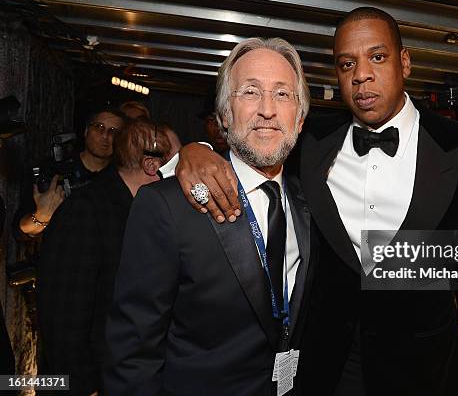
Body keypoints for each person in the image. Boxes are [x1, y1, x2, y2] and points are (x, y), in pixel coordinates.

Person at [173, 7, 458, 396]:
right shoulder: (310, 140)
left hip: (427, 368)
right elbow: (253, 143)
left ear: (405, 63)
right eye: (347, 63)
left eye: (377, 57)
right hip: (328, 366)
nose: (361, 74)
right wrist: (194, 150)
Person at [104, 37, 316, 396]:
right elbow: (132, 354)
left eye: (282, 94)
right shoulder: (167, 207)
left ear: (299, 118)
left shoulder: (312, 204)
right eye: (250, 92)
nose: (267, 109)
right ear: (223, 116)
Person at [37, 119, 170, 396]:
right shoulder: (86, 210)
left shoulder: (137, 211)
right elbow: (63, 314)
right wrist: (84, 387)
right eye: (174, 163)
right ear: (151, 166)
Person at [14, 109, 125, 239]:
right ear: (86, 131)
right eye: (99, 127)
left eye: (113, 131)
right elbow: (19, 230)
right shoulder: (53, 171)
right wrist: (41, 217)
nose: (105, 135)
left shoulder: (122, 179)